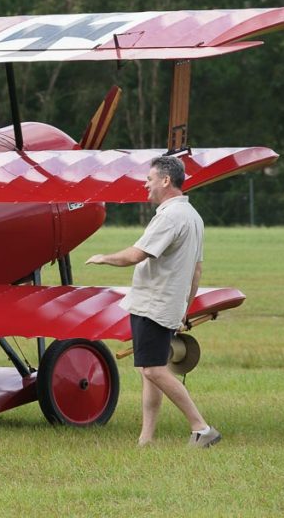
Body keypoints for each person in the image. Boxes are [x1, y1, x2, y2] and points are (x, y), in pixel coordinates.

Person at [86, 156, 220, 448]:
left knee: (153, 370)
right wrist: (184, 309)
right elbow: (197, 270)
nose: (145, 184)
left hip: (154, 305)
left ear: (165, 180)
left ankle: (202, 428)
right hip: (167, 304)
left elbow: (136, 255)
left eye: (149, 179)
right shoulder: (193, 216)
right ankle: (145, 439)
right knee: (150, 371)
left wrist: (103, 258)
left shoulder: (170, 216)